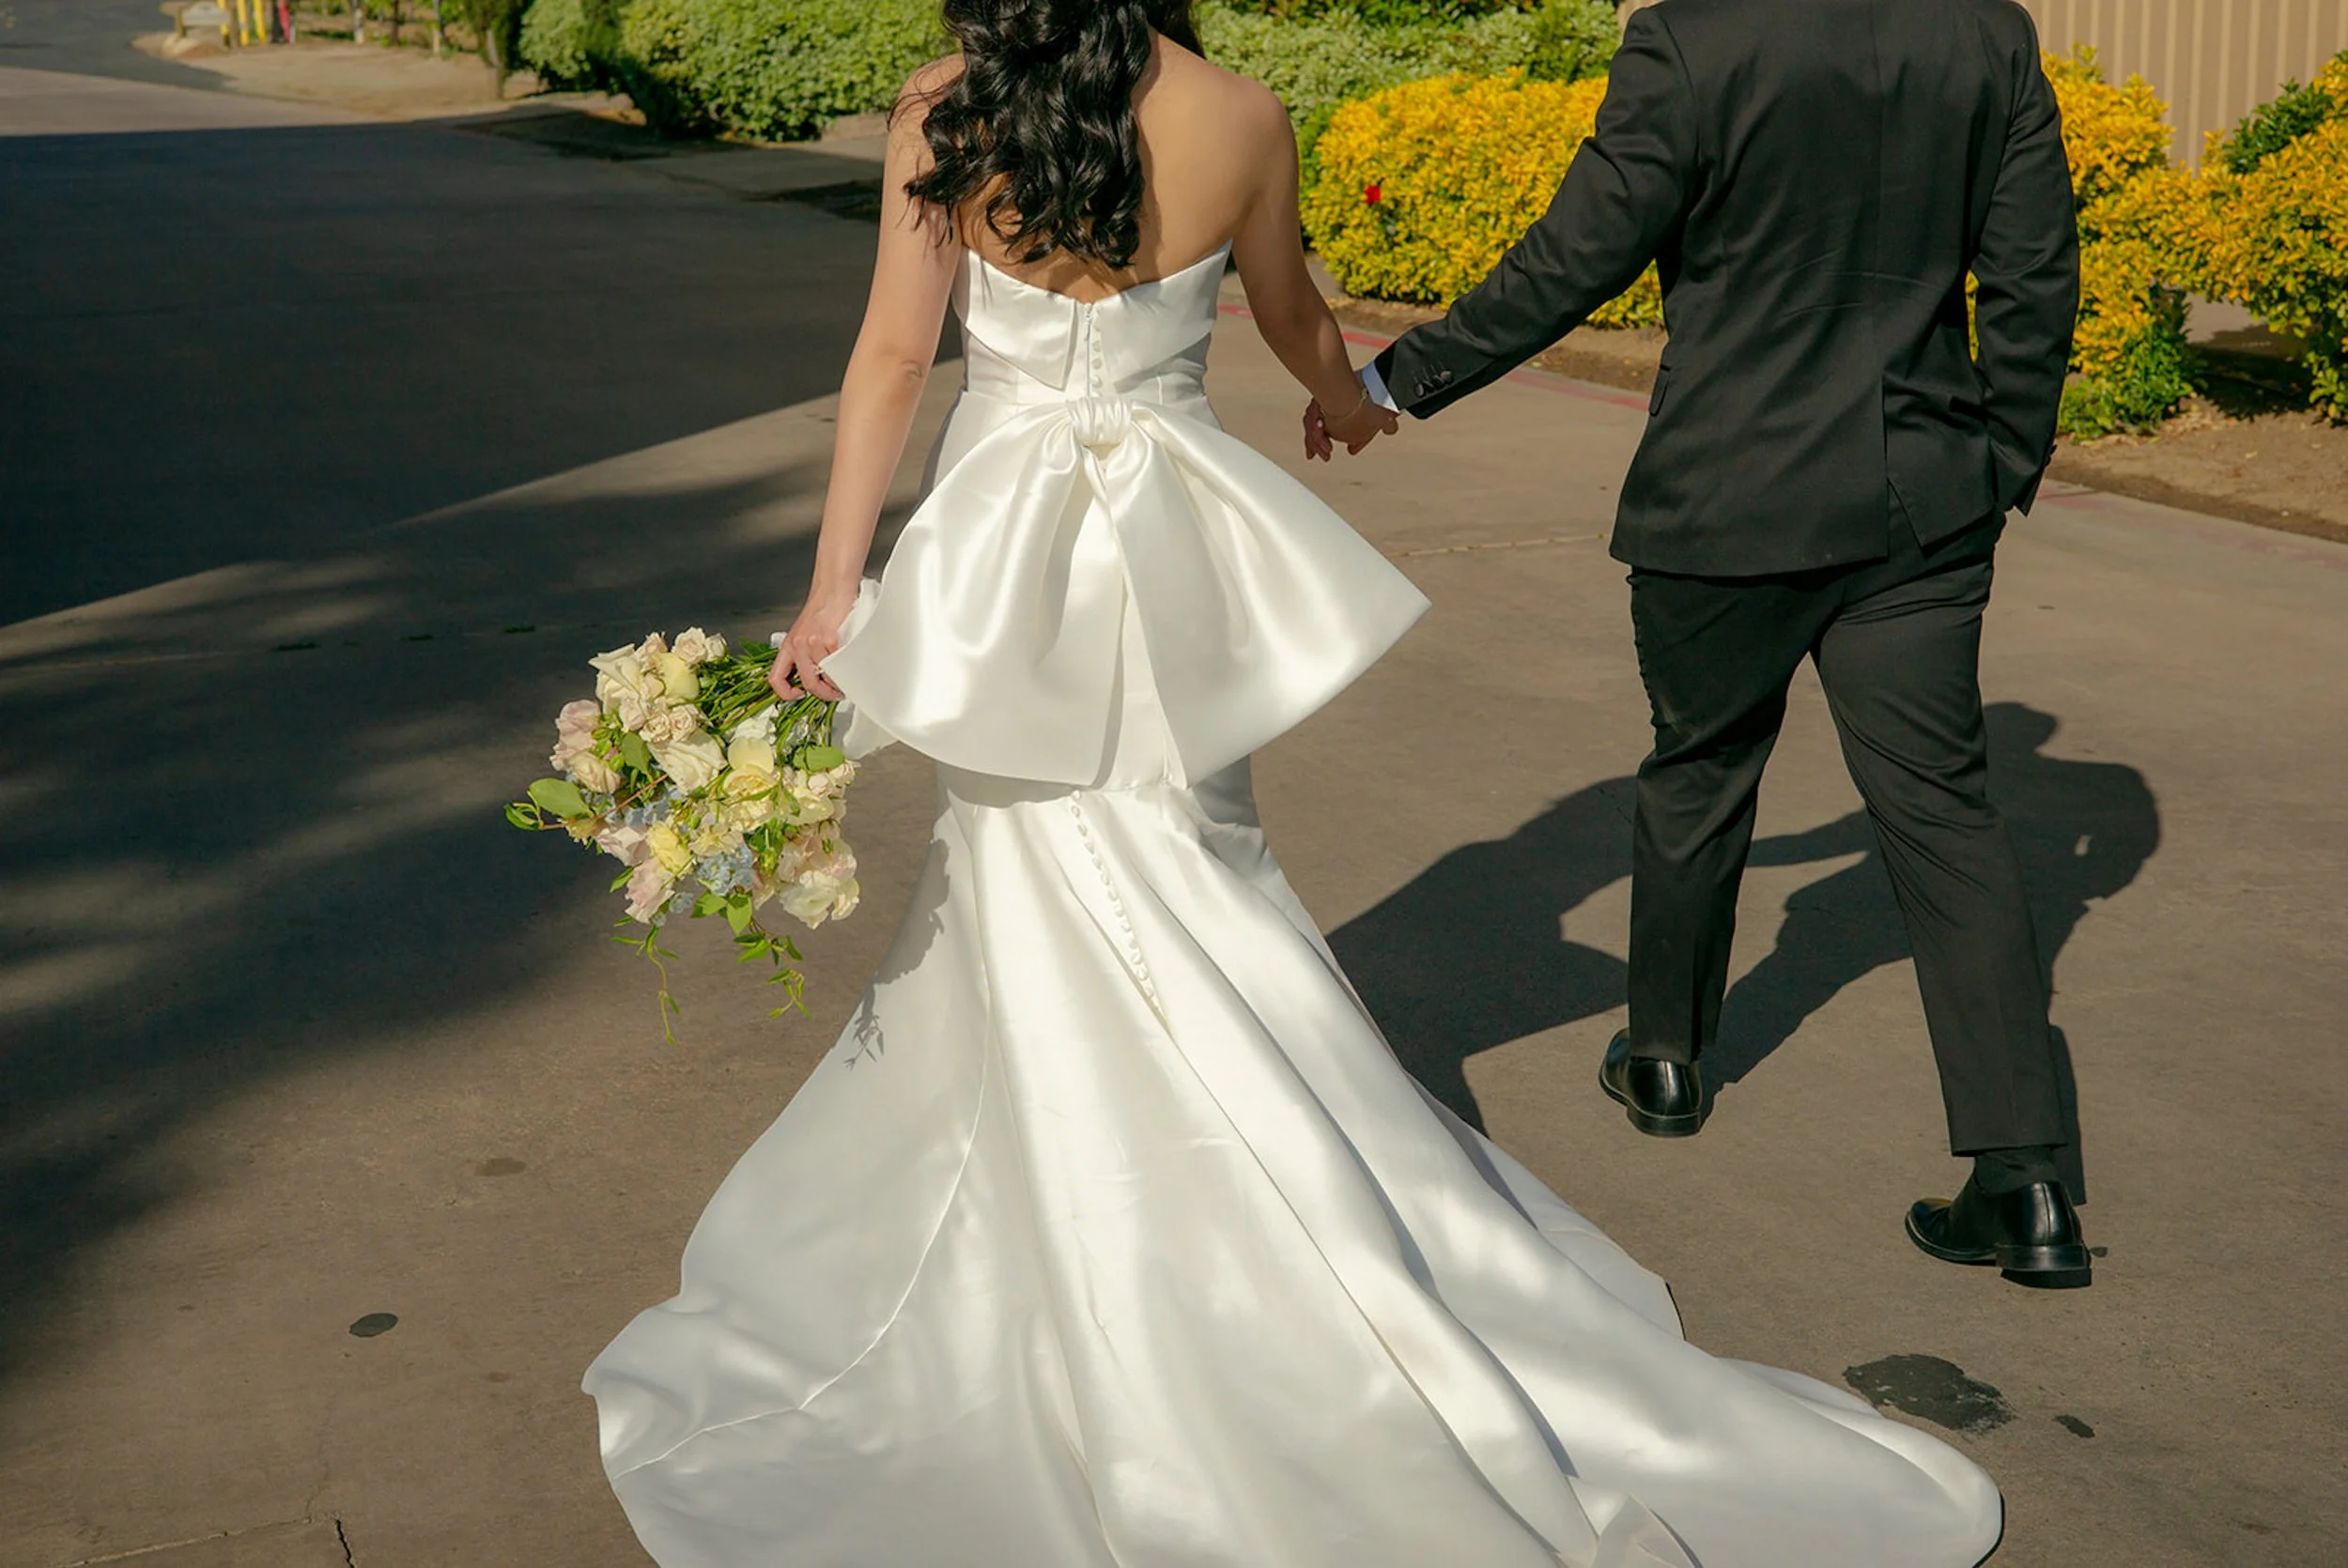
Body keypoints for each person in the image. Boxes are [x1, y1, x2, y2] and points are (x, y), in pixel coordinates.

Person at [583, 4, 2005, 1564]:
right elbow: (1291, 315)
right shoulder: (1242, 114)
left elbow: (893, 356)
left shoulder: (943, 107)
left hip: (998, 561)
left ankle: (1078, 1253)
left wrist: (835, 589)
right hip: (1167, 567)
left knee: (1018, 870)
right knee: (1190, 858)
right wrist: (1349, 399)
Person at [1325, 0, 2092, 1290]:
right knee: (1946, 817)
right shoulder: (1987, 36)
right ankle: (2026, 1181)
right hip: (1920, 502)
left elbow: (1580, 254)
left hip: (1726, 498)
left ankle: (1670, 1059)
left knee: (1700, 767)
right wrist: (1997, 461)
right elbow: (2035, 274)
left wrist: (1401, 378)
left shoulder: (1692, 41)